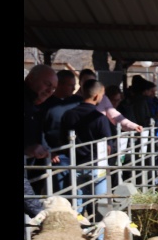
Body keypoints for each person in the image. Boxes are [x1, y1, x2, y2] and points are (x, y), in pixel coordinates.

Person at [60, 79, 116, 218]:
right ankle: (99, 237)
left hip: (75, 164)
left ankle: (78, 233)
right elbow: (107, 144)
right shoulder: (99, 118)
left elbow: (62, 139)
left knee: (77, 205)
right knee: (100, 203)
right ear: (97, 96)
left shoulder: (69, 114)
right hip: (96, 165)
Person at [23, 64, 58, 218]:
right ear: (31, 78)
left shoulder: (33, 105)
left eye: (54, 88)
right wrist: (40, 214)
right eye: (47, 84)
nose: (50, 90)